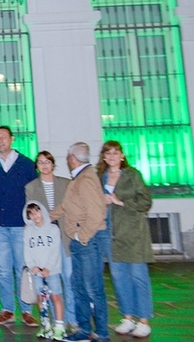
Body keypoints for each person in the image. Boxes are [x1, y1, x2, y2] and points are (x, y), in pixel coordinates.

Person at [52, 142, 109, 342]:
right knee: (79, 286)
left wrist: (81, 236)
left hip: (87, 242)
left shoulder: (85, 180)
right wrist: (44, 215)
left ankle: (101, 332)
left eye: (68, 157)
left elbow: (97, 213)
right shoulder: (79, 178)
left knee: (92, 287)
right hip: (80, 243)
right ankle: (84, 330)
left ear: (72, 159)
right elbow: (67, 206)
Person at [0, 126, 39, 327]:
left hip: (20, 225)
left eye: (3, 138)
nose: (0, 141)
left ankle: (26, 310)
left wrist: (31, 221)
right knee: (4, 270)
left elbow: (34, 195)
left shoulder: (25, 164)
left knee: (22, 269)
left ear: (12, 139)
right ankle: (7, 309)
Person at [98, 141, 154, 339]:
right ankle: (127, 317)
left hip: (132, 234)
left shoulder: (132, 175)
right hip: (109, 235)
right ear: (104, 157)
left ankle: (144, 320)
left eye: (116, 152)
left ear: (122, 156)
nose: (112, 156)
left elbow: (145, 202)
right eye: (108, 153)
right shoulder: (100, 177)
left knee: (138, 277)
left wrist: (119, 201)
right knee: (119, 278)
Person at [26, 150, 77, 330]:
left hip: (64, 235)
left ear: (53, 165)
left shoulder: (66, 184)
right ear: (37, 167)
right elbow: (31, 214)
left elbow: (70, 207)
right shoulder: (31, 187)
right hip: (44, 242)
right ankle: (53, 321)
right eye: (40, 162)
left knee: (69, 278)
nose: (44, 165)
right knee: (48, 282)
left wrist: (48, 214)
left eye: (47, 162)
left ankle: (72, 319)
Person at [23, 201, 66, 340]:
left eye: (37, 211)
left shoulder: (53, 229)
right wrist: (32, 267)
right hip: (36, 271)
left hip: (51, 270)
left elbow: (55, 250)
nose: (35, 216)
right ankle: (45, 325)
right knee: (41, 298)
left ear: (42, 211)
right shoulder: (28, 231)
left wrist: (49, 267)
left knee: (55, 296)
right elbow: (27, 251)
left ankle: (59, 327)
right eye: (31, 214)